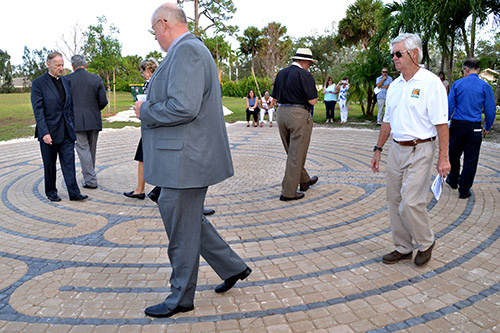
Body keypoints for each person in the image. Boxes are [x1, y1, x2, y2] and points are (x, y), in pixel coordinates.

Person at [134, 3, 250, 318]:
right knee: (189, 221)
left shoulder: (186, 51)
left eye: (153, 29)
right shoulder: (188, 49)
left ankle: (181, 297)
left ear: (163, 23)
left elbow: (183, 107)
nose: (155, 37)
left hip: (185, 161)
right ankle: (232, 267)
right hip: (182, 159)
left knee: (182, 232)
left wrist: (145, 111)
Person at [370, 33, 450, 267]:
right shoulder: (394, 86)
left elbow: (441, 123)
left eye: (398, 53)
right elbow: (387, 121)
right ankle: (403, 247)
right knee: (394, 200)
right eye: (393, 54)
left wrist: (443, 158)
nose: (393, 58)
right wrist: (378, 149)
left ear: (414, 54)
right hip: (396, 149)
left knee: (411, 202)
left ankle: (426, 242)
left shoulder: (430, 82)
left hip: (421, 149)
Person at [31, 51, 88, 202]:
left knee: (69, 164)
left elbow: (69, 107)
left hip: (66, 131)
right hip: (49, 132)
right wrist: (44, 133)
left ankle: (74, 192)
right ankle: (51, 191)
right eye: (57, 65)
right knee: (49, 165)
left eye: (62, 65)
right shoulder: (39, 84)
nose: (61, 68)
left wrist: (72, 125)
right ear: (48, 64)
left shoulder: (66, 82)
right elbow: (38, 111)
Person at [271, 48, 319, 201]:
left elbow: (274, 98)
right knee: (297, 154)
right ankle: (288, 192)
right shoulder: (304, 75)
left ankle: (304, 180)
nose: (309, 66)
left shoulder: (281, 73)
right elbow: (313, 101)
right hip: (298, 114)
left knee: (292, 152)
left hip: (281, 113)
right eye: (309, 63)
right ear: (304, 61)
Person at [446, 58, 496, 199]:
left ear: (466, 69)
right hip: (474, 127)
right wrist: (487, 126)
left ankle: (453, 180)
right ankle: (464, 189)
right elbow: (490, 110)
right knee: (471, 160)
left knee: (454, 155)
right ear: (478, 70)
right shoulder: (485, 86)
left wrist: (445, 122)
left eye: (462, 71)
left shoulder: (457, 84)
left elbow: (449, 107)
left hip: (457, 125)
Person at [66, 55, 108, 189]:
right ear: (86, 65)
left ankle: (90, 180)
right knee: (91, 150)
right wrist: (94, 110)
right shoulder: (96, 79)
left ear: (72, 66)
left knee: (83, 149)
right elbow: (103, 101)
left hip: (76, 120)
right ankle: (90, 175)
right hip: (93, 119)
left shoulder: (66, 80)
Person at [124, 58, 159, 200]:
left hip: (154, 127)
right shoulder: (148, 83)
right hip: (147, 126)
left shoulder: (157, 83)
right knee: (142, 157)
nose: (142, 73)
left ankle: (159, 191)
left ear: (149, 69)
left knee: (150, 158)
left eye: (143, 70)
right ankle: (140, 189)